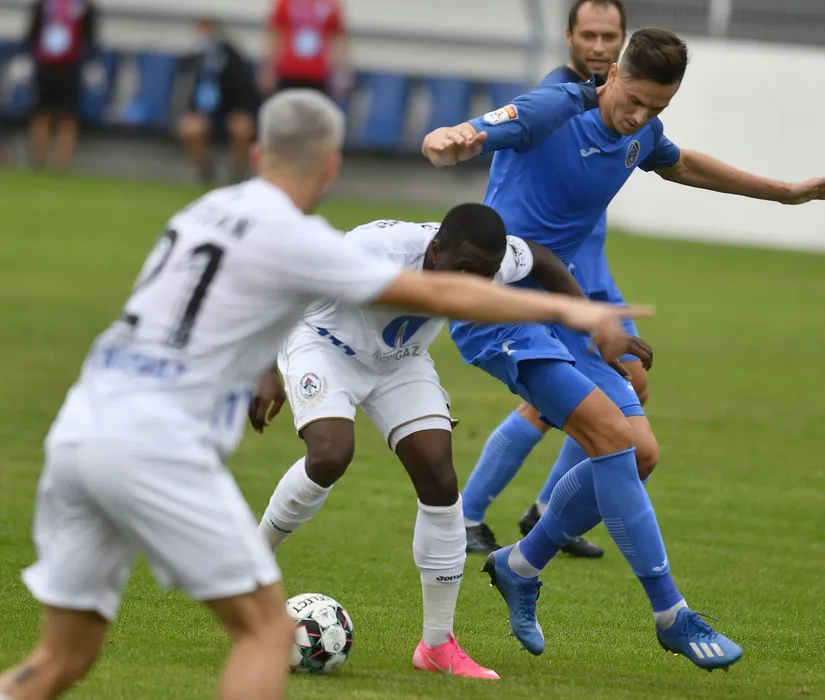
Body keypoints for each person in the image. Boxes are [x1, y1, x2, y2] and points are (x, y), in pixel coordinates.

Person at [0, 88, 649, 700]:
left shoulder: (201, 212)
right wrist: (577, 315)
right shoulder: (335, 242)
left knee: (64, 657)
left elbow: (532, 259)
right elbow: (426, 293)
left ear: (257, 152)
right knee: (269, 623)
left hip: (84, 425)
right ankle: (260, 556)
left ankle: (437, 643)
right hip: (245, 392)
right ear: (333, 167)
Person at [422, 28, 825, 670]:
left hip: (566, 308)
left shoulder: (642, 133)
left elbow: (684, 164)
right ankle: (671, 612)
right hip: (500, 308)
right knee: (610, 438)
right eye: (635, 101)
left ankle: (521, 564)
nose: (640, 117)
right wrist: (452, 138)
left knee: (641, 453)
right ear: (614, 74)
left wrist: (786, 192)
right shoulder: (556, 108)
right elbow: (486, 129)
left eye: (658, 108)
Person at [253, 205, 622, 680]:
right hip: (325, 346)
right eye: (463, 269)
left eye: (484, 275)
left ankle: (436, 645)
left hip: (400, 361)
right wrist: (263, 366)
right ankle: (253, 563)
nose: (472, 283)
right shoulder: (374, 249)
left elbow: (542, 258)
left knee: (440, 478)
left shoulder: (485, 259)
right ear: (435, 250)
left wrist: (590, 321)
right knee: (330, 454)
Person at [462, 0, 638, 560]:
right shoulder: (554, 101)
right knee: (557, 406)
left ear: (623, 41)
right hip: (552, 278)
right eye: (589, 35)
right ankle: (472, 513)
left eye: (609, 35)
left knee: (630, 386)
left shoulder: (624, 106)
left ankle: (544, 511)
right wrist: (466, 134)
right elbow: (509, 128)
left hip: (594, 273)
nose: (599, 46)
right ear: (569, 36)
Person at [178, 17, 260, 185]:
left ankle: (238, 173)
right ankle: (206, 170)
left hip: (230, 110)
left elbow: (245, 89)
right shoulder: (196, 57)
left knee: (242, 128)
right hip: (204, 111)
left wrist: (241, 110)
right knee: (190, 127)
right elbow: (189, 89)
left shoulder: (232, 56)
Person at [24, 0, 98, 170]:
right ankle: (40, 159)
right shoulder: (44, 5)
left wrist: (90, 61)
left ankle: (61, 162)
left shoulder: (84, 6)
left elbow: (90, 37)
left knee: (68, 114)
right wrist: (28, 56)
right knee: (41, 111)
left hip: (71, 67)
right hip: (45, 64)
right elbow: (33, 32)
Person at [260, 0, 351, 102]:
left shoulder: (330, 4)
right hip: (289, 72)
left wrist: (341, 72)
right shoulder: (285, 3)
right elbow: (275, 36)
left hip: (319, 74)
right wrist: (268, 69)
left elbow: (338, 39)